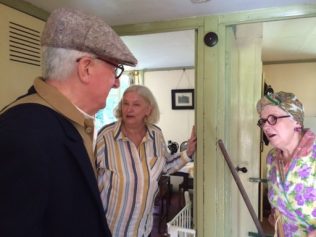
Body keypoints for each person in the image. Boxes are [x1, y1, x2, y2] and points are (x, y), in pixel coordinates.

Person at [0, 8, 137, 237]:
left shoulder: (64, 122)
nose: (116, 83)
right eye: (115, 69)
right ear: (85, 68)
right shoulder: (23, 132)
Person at [95, 85, 197, 237]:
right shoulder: (106, 136)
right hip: (108, 227)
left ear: (148, 110)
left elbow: (165, 166)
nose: (129, 109)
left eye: (136, 104)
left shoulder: (156, 135)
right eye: (125, 103)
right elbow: (90, 174)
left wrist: (188, 152)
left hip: (142, 228)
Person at [256, 91, 316, 237]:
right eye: (263, 121)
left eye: (273, 118)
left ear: (296, 120)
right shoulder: (271, 157)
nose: (265, 127)